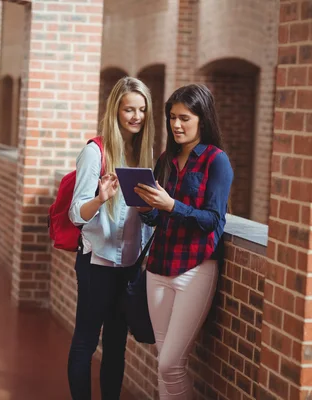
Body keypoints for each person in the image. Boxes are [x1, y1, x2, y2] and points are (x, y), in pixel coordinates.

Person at [134, 84, 233, 399]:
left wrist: (172, 205)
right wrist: (148, 209)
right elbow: (158, 220)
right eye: (172, 117)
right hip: (158, 267)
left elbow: (214, 221)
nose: (176, 125)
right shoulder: (166, 159)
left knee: (170, 365)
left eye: (184, 118)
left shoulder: (217, 161)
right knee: (164, 363)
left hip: (195, 268)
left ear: (202, 120)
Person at [67, 76, 155, 400]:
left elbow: (147, 218)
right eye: (129, 109)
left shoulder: (146, 155)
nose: (136, 117)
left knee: (117, 348)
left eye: (142, 110)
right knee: (86, 342)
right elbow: (76, 213)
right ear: (115, 110)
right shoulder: (95, 152)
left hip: (129, 265)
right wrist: (100, 198)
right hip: (97, 263)